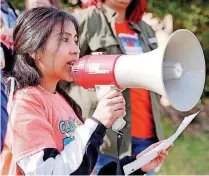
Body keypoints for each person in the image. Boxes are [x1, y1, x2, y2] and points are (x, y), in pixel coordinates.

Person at [0, 7, 171, 175]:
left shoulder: (63, 101)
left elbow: (83, 170)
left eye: (75, 40)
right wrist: (98, 122)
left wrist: (137, 164)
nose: (75, 49)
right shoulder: (24, 103)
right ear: (35, 50)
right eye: (64, 40)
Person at [67, 0, 164, 174]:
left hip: (146, 135)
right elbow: (62, 74)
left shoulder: (145, 29)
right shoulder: (85, 21)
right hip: (105, 140)